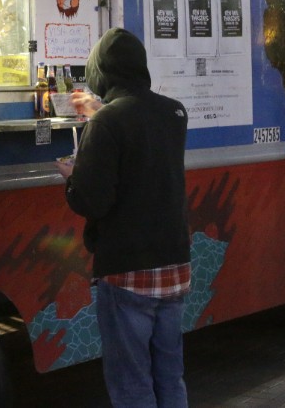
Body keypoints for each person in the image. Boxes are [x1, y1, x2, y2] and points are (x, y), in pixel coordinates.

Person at [55, 27, 191, 408]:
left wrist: (72, 178)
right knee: (170, 377)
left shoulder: (107, 123)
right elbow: (140, 139)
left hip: (128, 272)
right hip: (175, 266)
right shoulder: (174, 113)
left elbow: (91, 200)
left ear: (101, 72)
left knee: (132, 385)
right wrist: (100, 113)